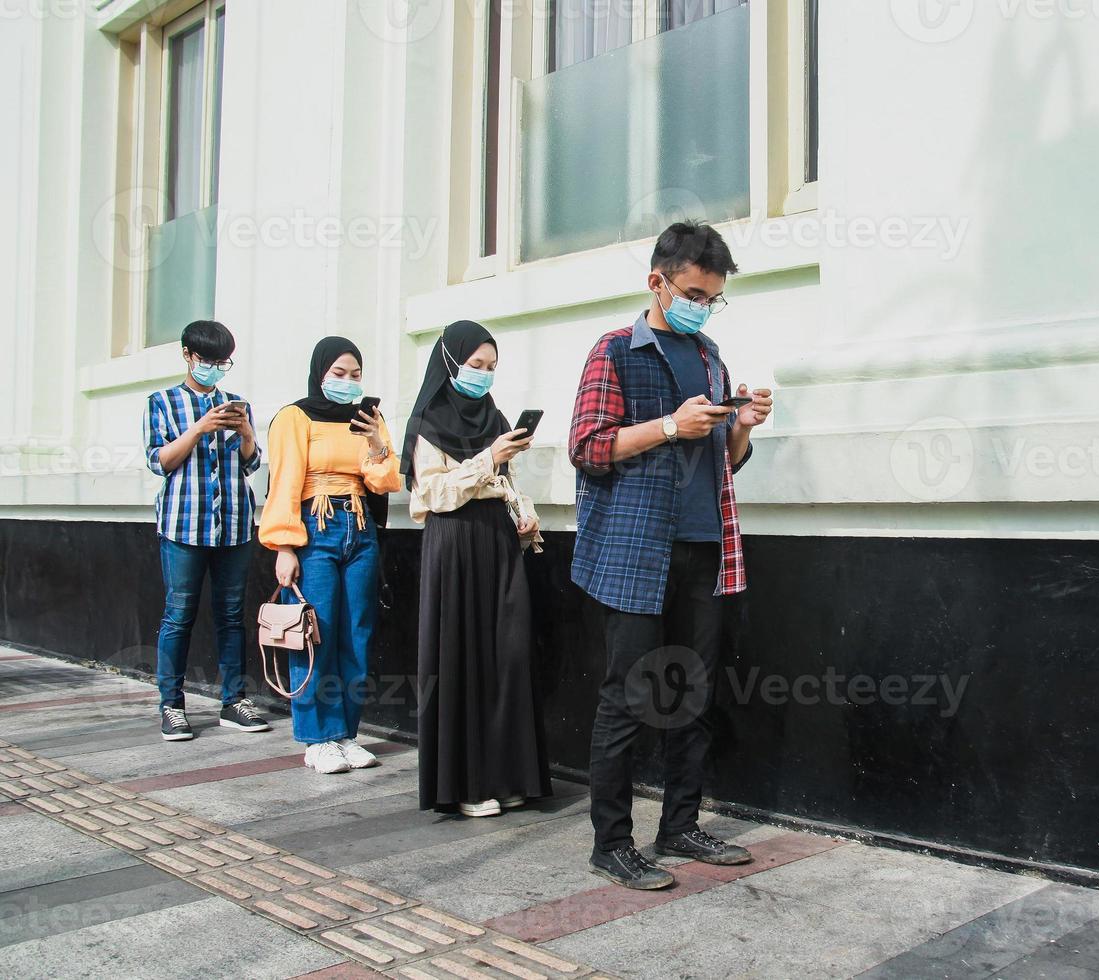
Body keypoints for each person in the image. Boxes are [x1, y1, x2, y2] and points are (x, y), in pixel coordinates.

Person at [568, 221, 774, 889]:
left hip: (705, 549)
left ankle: (681, 825)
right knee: (625, 699)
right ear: (655, 282)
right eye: (692, 292)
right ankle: (612, 843)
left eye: (711, 298)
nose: (700, 306)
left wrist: (739, 426)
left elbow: (727, 463)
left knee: (689, 694)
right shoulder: (615, 352)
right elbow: (588, 447)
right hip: (634, 551)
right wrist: (667, 427)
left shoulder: (711, 355)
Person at [403, 320, 552, 818]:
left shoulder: (494, 416)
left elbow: (502, 482)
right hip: (455, 545)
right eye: (475, 366)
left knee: (507, 657)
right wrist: (489, 457)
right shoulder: (429, 421)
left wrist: (523, 512)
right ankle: (466, 785)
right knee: (462, 657)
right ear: (450, 363)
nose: (483, 377)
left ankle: (509, 776)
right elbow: (430, 494)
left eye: (491, 368)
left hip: (498, 542)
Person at [259, 337, 402, 774]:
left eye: (355, 375)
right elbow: (283, 480)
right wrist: (284, 546)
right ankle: (316, 737)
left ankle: (345, 733)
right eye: (339, 373)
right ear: (320, 372)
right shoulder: (294, 416)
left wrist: (377, 439)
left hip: (358, 527)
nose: (348, 382)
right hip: (313, 526)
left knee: (356, 634)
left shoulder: (366, 419)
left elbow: (384, 481)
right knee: (314, 632)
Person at [144, 320, 271, 742]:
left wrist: (247, 433)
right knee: (178, 615)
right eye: (207, 361)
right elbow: (160, 461)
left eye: (222, 362)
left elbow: (250, 465)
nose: (215, 369)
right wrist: (199, 428)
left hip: (234, 524)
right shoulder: (161, 402)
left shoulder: (237, 403)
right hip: (183, 524)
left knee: (232, 616)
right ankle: (171, 704)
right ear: (187, 355)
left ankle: (234, 700)